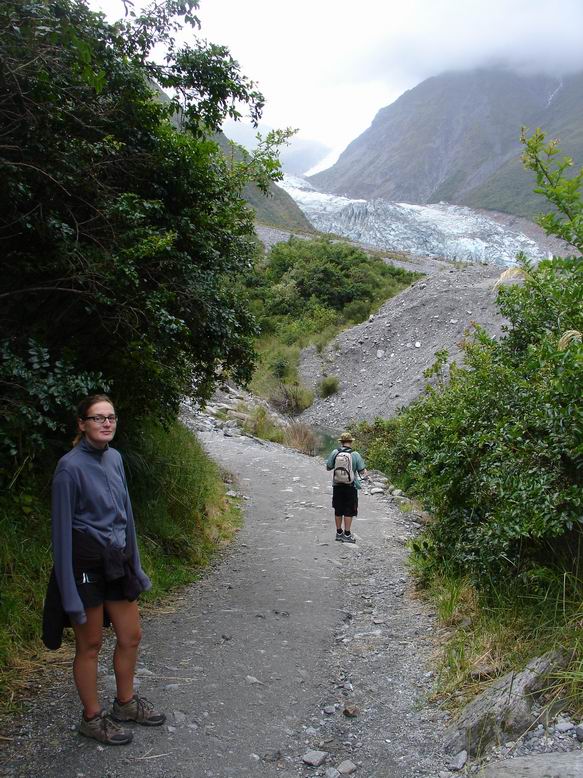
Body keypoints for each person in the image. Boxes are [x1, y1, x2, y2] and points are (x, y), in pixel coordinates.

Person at [47, 394, 165, 745]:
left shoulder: (115, 458)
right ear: (82, 424)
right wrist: (68, 594)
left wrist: (137, 568)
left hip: (118, 562)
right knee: (91, 644)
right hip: (85, 565)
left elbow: (126, 518)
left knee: (131, 635)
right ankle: (92, 717)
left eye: (111, 417)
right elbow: (61, 533)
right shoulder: (69, 468)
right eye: (98, 418)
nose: (106, 423)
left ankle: (125, 704)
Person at [326, 432, 367, 543]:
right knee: (349, 510)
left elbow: (328, 467)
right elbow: (362, 471)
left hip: (337, 485)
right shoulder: (355, 454)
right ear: (351, 441)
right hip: (350, 486)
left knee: (338, 509)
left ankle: (339, 533)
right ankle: (347, 534)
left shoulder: (335, 452)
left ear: (341, 442)